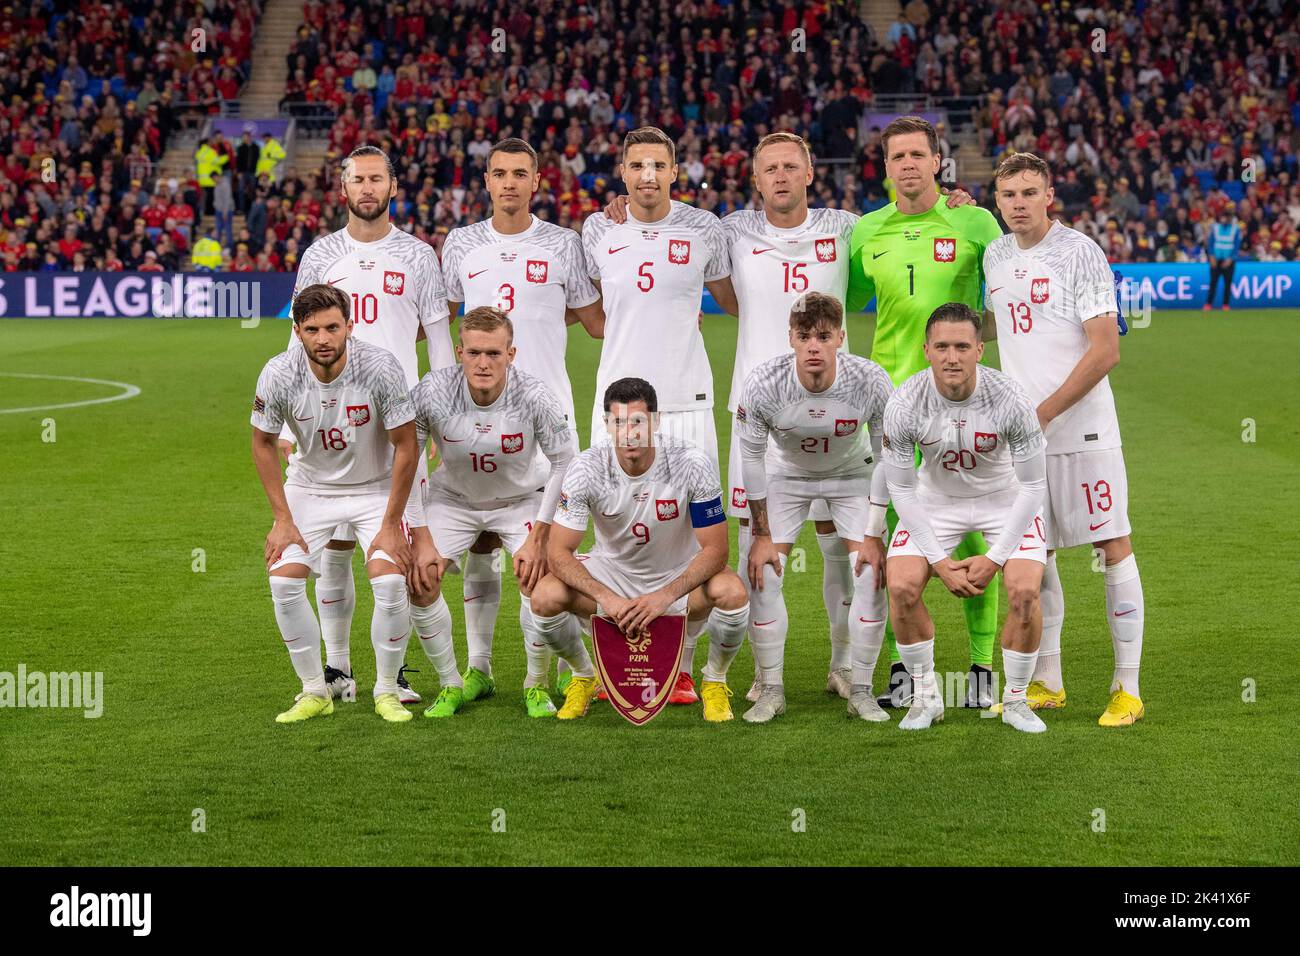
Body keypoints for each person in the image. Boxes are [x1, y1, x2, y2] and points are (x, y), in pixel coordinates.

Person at [845, 115, 1006, 710]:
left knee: (973, 529)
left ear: (937, 161)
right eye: (897, 157)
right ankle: (903, 666)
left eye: (918, 154)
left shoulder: (974, 221)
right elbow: (844, 301)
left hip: (966, 401)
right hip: (891, 404)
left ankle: (983, 667)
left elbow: (1015, 277)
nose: (908, 165)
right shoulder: (865, 233)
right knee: (894, 535)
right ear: (884, 167)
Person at [284, 144, 453, 706]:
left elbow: (443, 347)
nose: (367, 189)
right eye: (358, 180)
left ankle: (394, 672)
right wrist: (289, 424)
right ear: (343, 189)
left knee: (394, 551)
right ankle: (336, 669)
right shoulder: (320, 254)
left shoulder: (419, 256)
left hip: (399, 423)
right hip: (329, 419)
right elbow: (298, 336)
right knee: (332, 548)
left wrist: (446, 422)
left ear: (393, 186)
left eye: (376, 179)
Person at [579, 126, 741, 705]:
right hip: (618, 405)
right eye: (637, 165)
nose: (647, 175)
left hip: (687, 399)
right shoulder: (597, 228)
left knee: (692, 542)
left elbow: (735, 300)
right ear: (621, 173)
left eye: (658, 165)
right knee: (617, 533)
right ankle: (613, 663)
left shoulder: (705, 228)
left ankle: (685, 667)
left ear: (676, 170)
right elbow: (594, 313)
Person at [439, 137, 605, 702]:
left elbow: (595, 318)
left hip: (550, 415)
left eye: (520, 174)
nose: (509, 183)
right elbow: (443, 327)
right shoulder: (460, 244)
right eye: (499, 173)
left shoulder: (564, 243)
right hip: (475, 418)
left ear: (538, 182)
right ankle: (480, 668)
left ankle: (549, 670)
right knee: (484, 542)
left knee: (551, 548)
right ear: (486, 181)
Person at [985, 151, 1145, 726]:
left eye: (1030, 192)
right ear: (996, 201)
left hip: (1085, 431)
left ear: (1049, 194)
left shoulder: (1081, 253)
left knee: (1111, 546)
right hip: (1025, 440)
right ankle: (1048, 680)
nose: (1019, 203)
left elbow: (1107, 349)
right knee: (1039, 554)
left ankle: (1127, 688)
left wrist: (1045, 411)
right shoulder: (995, 255)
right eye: (1008, 195)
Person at [249, 283, 421, 724]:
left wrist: (392, 522)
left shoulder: (381, 367)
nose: (323, 339)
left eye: (331, 327)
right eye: (312, 330)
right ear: (298, 331)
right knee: (284, 582)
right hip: (311, 488)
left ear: (350, 325)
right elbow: (263, 444)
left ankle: (386, 690)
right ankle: (314, 691)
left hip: (374, 488)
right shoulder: (278, 372)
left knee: (388, 582)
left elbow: (406, 445)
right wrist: (281, 519)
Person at [530, 377, 750, 721]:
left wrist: (664, 596)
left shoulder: (691, 462)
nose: (629, 432)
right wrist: (607, 598)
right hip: (613, 577)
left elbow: (716, 550)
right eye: (618, 422)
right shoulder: (587, 468)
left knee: (732, 593)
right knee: (543, 597)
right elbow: (559, 553)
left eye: (638, 422)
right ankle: (583, 675)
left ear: (656, 421)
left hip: (677, 577)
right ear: (606, 424)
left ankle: (715, 682)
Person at [881, 303, 1049, 733]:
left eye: (961, 346)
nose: (951, 357)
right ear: (926, 351)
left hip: (1005, 500)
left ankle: (1014, 702)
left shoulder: (1011, 399)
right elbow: (901, 488)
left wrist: (993, 559)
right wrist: (939, 562)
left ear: (980, 350)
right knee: (900, 586)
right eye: (941, 347)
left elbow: (1033, 487)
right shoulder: (904, 403)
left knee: (1026, 592)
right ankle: (926, 697)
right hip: (934, 502)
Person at [404, 307, 577, 718]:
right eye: (474, 353)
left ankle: (535, 684)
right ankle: (456, 681)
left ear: (511, 354)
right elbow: (407, 456)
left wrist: (540, 537)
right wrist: (421, 534)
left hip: (519, 499)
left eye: (494, 354)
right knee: (420, 578)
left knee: (538, 577)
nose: (484, 363)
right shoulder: (432, 390)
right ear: (459, 351)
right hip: (455, 499)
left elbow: (565, 461)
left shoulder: (534, 395)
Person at [736, 292, 895, 723]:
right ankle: (771, 688)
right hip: (786, 475)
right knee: (762, 571)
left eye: (823, 336)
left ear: (841, 337)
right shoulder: (764, 383)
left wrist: (874, 533)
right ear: (790, 337)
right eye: (804, 336)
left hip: (851, 474)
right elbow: (750, 458)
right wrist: (762, 534)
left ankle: (857, 685)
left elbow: (888, 458)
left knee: (869, 572)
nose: (813, 346)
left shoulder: (871, 380)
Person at [1204, 206, 1242, 310]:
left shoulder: (1235, 229)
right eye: (1223, 217)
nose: (1224, 219)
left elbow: (1236, 246)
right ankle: (1208, 304)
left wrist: (1231, 259)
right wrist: (1211, 257)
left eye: (1227, 217)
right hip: (1216, 260)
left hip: (1228, 261)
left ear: (1230, 218)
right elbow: (1210, 243)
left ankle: (1226, 304)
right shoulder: (1215, 228)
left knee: (1228, 284)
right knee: (1213, 283)